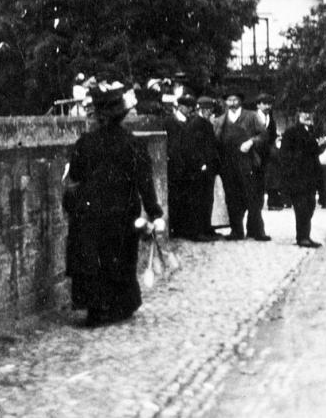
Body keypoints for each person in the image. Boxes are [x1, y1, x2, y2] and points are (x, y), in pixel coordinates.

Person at [63, 81, 164, 326]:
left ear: (97, 115)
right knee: (118, 258)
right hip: (122, 211)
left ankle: (95, 309)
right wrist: (155, 212)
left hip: (90, 211)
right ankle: (119, 305)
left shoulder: (85, 143)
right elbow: (145, 183)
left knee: (93, 260)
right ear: (121, 115)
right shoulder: (134, 144)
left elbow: (75, 175)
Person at [163, 94, 220, 241]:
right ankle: (195, 230)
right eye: (207, 109)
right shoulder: (192, 123)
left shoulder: (197, 122)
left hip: (198, 166)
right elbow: (190, 147)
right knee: (195, 199)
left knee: (205, 198)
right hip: (192, 166)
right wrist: (201, 163)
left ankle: (204, 228)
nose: (190, 110)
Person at [220, 92, 274, 241]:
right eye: (229, 99)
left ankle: (256, 231)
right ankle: (236, 231)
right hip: (228, 163)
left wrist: (251, 142)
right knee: (232, 198)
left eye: (235, 99)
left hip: (248, 161)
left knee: (252, 197)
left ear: (240, 101)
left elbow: (264, 135)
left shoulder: (251, 116)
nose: (232, 102)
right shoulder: (221, 119)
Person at [279, 101, 326, 248]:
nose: (307, 116)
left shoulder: (313, 131)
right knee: (301, 208)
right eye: (304, 113)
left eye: (309, 113)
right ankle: (302, 237)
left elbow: (314, 153)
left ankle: (305, 235)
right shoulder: (291, 132)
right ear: (298, 114)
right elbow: (284, 155)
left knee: (310, 205)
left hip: (311, 176)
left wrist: (320, 147)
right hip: (298, 176)